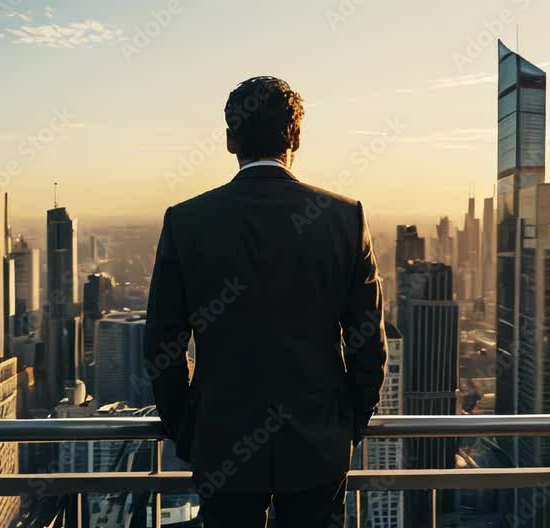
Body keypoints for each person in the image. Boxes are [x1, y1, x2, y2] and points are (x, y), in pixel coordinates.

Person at [145, 75, 387, 528]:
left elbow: (163, 343)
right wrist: (348, 424)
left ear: (230, 139)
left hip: (222, 443)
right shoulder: (343, 218)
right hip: (318, 444)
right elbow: (367, 341)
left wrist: (187, 428)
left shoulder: (187, 221)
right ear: (296, 136)